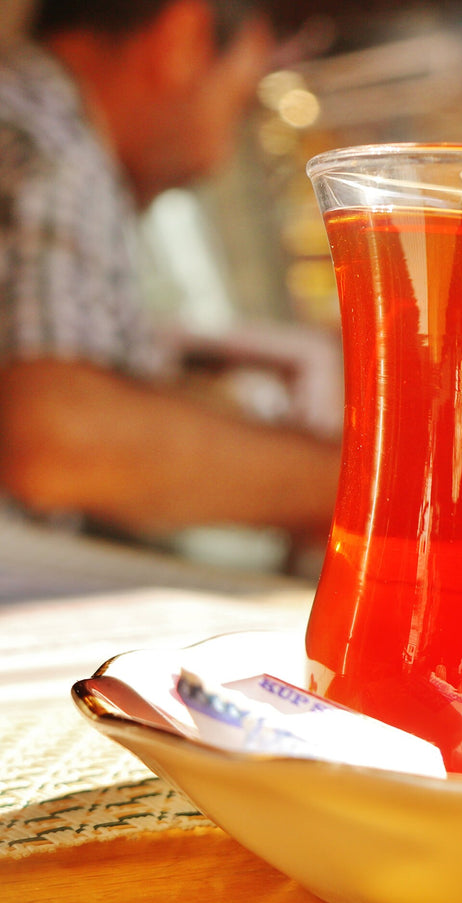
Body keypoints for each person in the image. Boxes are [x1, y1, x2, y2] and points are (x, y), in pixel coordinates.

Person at [0, 0, 340, 548]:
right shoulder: (54, 148)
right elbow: (54, 437)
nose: (219, 156)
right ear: (182, 37)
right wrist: (379, 488)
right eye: (240, 103)